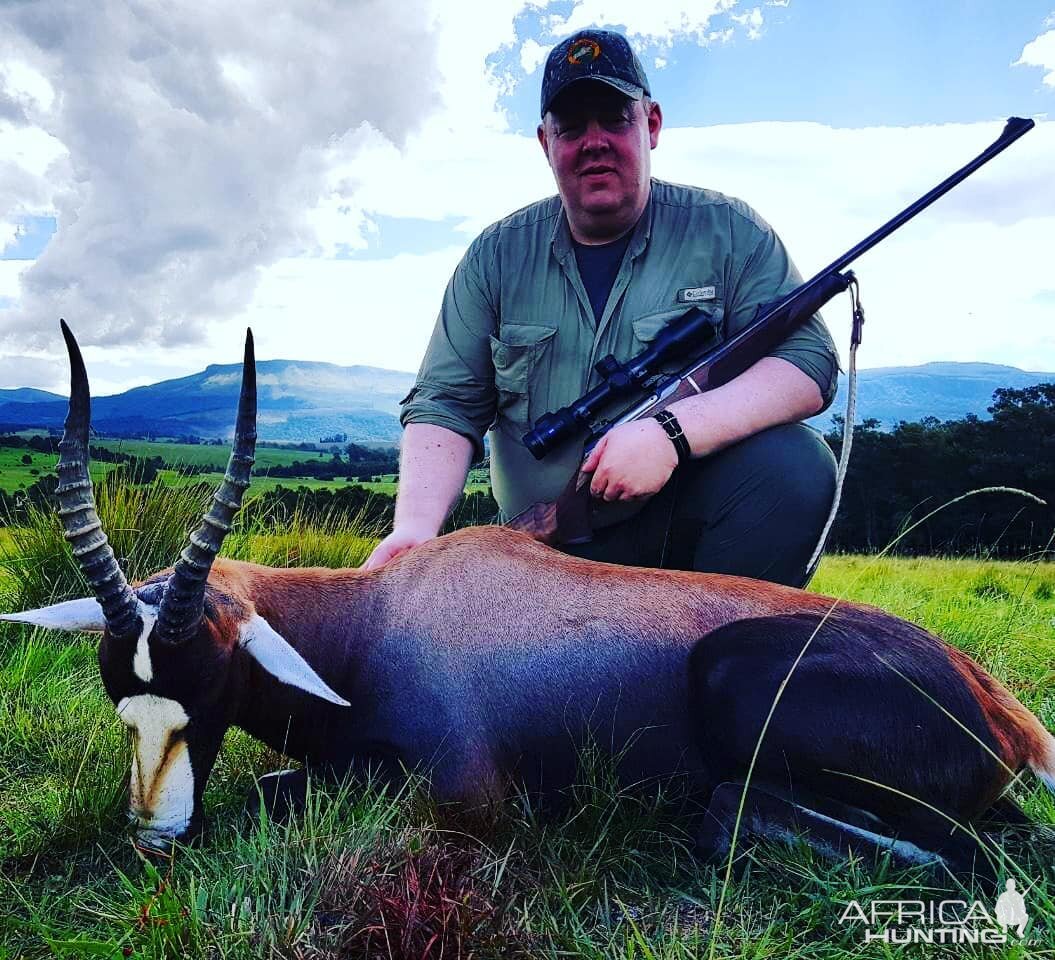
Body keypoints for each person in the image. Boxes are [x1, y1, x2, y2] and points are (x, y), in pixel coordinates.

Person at [364, 28, 838, 586]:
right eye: (571, 126)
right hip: (540, 546)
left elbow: (809, 360)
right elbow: (445, 402)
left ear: (651, 124)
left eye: (614, 118)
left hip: (680, 533)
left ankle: (733, 661)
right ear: (545, 142)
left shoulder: (729, 231)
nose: (594, 141)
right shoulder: (495, 256)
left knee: (796, 468)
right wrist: (416, 531)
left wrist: (671, 432)